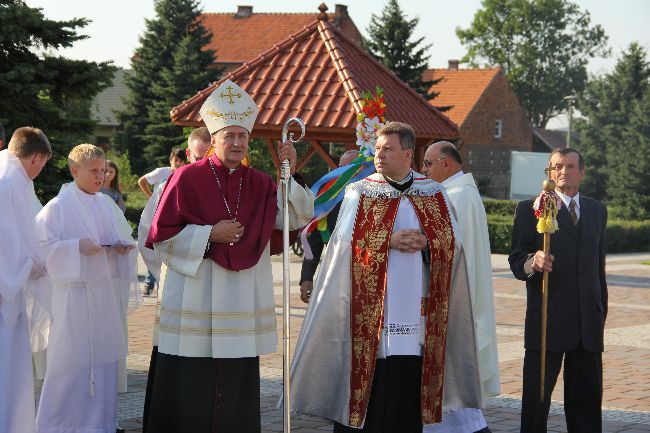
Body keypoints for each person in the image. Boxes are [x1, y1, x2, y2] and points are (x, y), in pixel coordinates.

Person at [144, 79, 314, 433]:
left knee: (234, 383)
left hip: (239, 301)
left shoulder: (261, 183)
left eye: (242, 136)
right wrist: (209, 236)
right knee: (192, 383)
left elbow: (293, 218)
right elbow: (161, 237)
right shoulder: (185, 179)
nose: (237, 143)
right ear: (214, 139)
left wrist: (289, 174)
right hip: (196, 297)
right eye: (229, 136)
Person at [291, 122, 481, 433]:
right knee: (369, 385)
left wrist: (429, 241)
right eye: (378, 148)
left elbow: (454, 243)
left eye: (388, 149)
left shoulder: (433, 193)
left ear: (408, 154)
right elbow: (341, 244)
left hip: (416, 313)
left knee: (407, 385)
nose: (379, 155)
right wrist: (386, 241)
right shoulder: (360, 191)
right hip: (369, 313)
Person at [35, 143, 139, 433]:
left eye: (103, 171)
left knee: (103, 363)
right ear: (74, 170)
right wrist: (74, 248)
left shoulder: (106, 203)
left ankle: (100, 424)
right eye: (94, 171)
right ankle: (58, 425)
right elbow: (41, 249)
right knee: (69, 363)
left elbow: (121, 235)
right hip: (73, 298)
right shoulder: (57, 207)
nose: (101, 177)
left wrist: (121, 248)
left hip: (102, 296)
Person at [509, 148, 607, 433]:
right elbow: (517, 259)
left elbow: (598, 268)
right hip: (547, 319)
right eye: (558, 167)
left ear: (582, 171)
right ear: (550, 173)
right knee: (537, 401)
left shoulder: (597, 210)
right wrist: (533, 260)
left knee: (587, 403)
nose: (564, 172)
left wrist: (600, 311)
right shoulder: (532, 209)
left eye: (571, 166)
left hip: (587, 322)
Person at [422, 141, 499, 433]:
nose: (424, 170)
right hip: (453, 300)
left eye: (428, 163)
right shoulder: (458, 193)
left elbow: (450, 251)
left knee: (456, 393)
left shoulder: (458, 197)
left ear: (447, 163)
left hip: (453, 301)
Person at [138, 126, 212, 432]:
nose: (203, 160)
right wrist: (167, 271)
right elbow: (149, 233)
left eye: (209, 154)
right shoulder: (169, 184)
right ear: (187, 152)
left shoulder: (234, 184)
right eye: (198, 154)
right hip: (180, 283)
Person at [0, 127, 51, 433]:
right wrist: (27, 267)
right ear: (35, 158)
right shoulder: (9, 183)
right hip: (5, 289)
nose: (40, 171)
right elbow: (4, 240)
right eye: (43, 164)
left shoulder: (9, 177)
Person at [299, 149, 358, 303]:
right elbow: (314, 242)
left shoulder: (373, 197)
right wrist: (306, 277)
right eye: (340, 168)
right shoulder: (327, 202)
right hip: (335, 276)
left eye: (348, 168)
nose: (342, 174)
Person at [139, 147, 186, 294]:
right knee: (153, 249)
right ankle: (149, 282)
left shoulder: (185, 174)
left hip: (175, 219)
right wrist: (152, 198)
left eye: (181, 160)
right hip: (156, 217)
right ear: (171, 159)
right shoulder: (162, 172)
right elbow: (142, 181)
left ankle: (165, 285)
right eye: (176, 160)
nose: (178, 163)